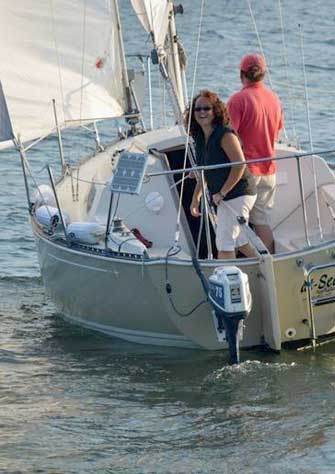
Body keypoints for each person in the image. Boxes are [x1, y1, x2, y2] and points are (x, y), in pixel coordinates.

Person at [185, 90, 257, 260]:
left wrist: (222, 193)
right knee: (239, 240)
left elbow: (239, 165)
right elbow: (204, 171)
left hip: (239, 193)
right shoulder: (200, 138)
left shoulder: (225, 135)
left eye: (206, 108)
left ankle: (226, 279)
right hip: (224, 196)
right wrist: (196, 198)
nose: (202, 112)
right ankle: (263, 266)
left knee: (224, 241)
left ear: (215, 111)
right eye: (198, 109)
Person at [227, 53, 283, 253]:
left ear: (242, 74)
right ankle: (269, 264)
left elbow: (227, 137)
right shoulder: (274, 99)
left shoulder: (238, 100)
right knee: (262, 223)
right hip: (269, 171)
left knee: (233, 225)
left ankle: (242, 268)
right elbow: (276, 131)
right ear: (264, 74)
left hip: (246, 173)